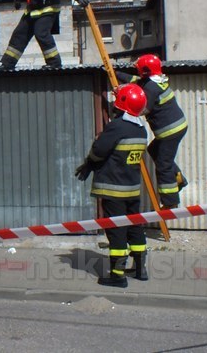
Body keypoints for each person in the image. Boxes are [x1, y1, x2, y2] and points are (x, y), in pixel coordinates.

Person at [75, 83, 149, 287]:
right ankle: (140, 269)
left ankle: (117, 275)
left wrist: (89, 163)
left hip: (113, 189)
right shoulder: (141, 129)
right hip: (132, 189)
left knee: (116, 231)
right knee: (135, 227)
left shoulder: (117, 126)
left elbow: (99, 150)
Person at [115, 54, 188, 208]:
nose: (138, 72)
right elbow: (136, 81)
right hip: (177, 127)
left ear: (145, 70)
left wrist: (122, 97)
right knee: (154, 150)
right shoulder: (156, 81)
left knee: (163, 164)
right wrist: (117, 74)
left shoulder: (151, 87)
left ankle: (171, 202)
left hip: (170, 131)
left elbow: (142, 109)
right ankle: (178, 178)